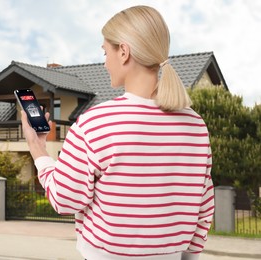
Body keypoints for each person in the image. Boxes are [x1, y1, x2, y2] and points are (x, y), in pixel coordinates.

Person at [21, 5, 214, 260]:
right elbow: (203, 205)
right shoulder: (196, 125)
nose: (105, 63)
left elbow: (64, 199)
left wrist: (38, 150)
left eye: (105, 52)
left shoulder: (95, 123)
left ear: (123, 51)